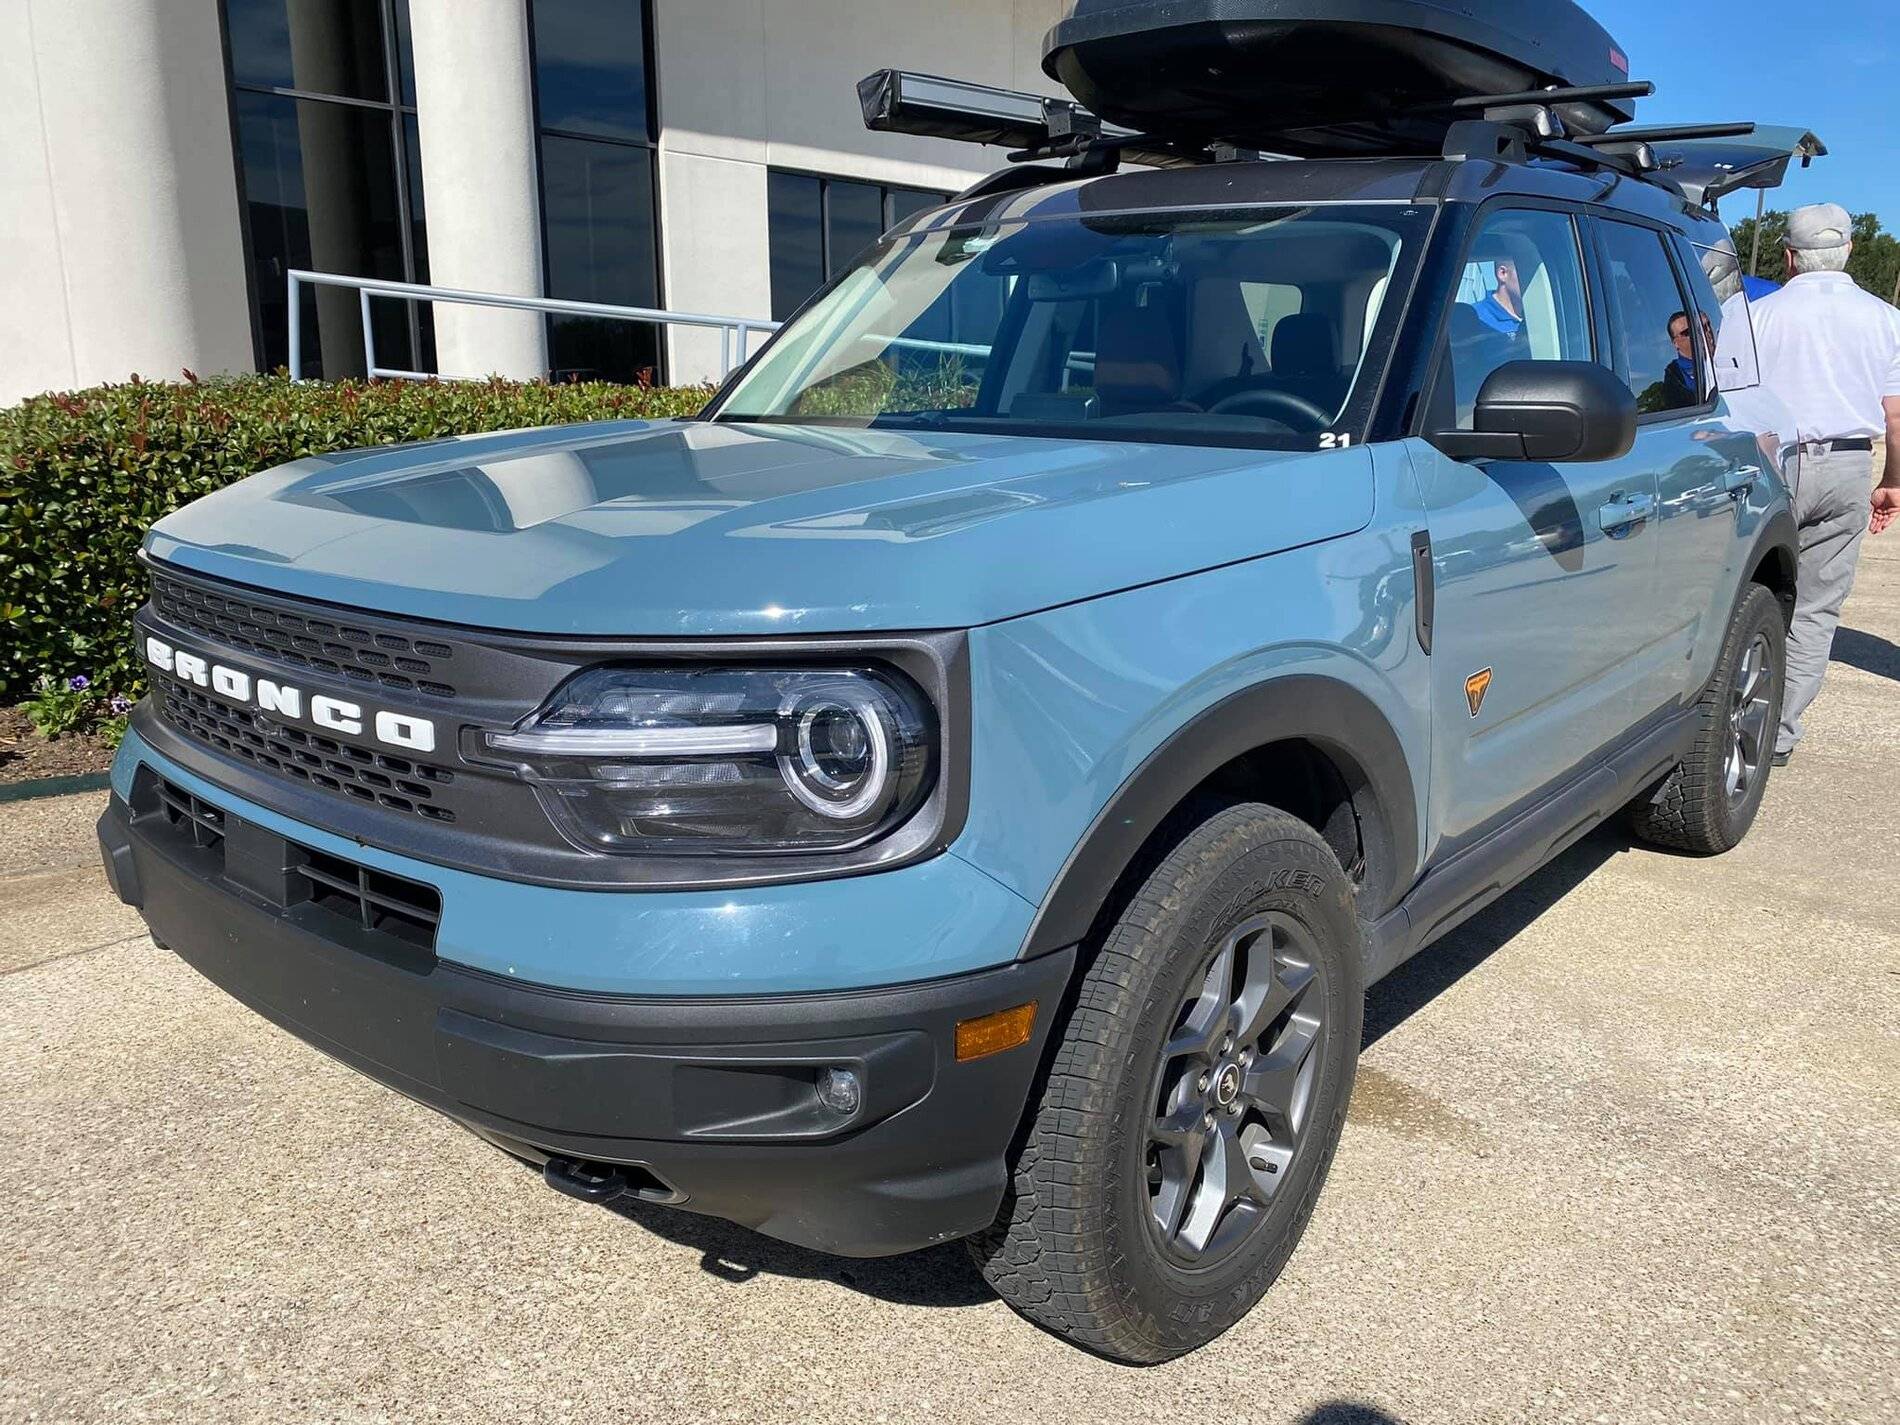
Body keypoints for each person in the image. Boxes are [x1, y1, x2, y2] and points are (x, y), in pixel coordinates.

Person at [1748, 202, 1900, 764]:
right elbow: (1896, 416)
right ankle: (1776, 734)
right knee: (1815, 608)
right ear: (1849, 250)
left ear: (1789, 257)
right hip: (1847, 465)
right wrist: (1892, 481)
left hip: (1771, 460)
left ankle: (1730, 712)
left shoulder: (1756, 316)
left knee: (1748, 594)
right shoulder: (1886, 319)